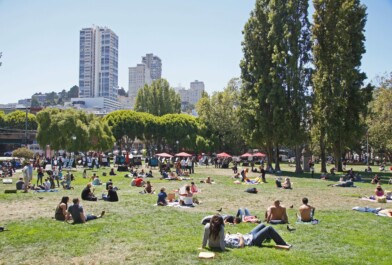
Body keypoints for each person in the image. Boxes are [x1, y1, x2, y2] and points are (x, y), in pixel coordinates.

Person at [202, 215, 290, 251]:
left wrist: (228, 235)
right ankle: (283, 244)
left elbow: (218, 238)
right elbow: (241, 246)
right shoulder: (224, 242)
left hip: (248, 235)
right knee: (269, 228)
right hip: (252, 241)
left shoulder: (216, 232)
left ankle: (268, 237)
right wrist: (240, 237)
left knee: (262, 225)